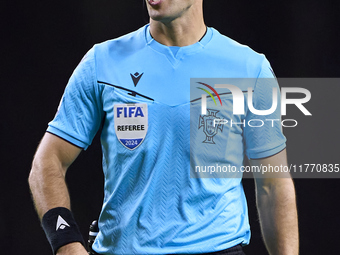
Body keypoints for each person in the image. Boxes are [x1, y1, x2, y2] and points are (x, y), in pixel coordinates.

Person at [29, 0, 299, 254]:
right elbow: (47, 161)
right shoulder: (102, 62)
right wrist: (65, 241)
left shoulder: (250, 68)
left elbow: (273, 184)